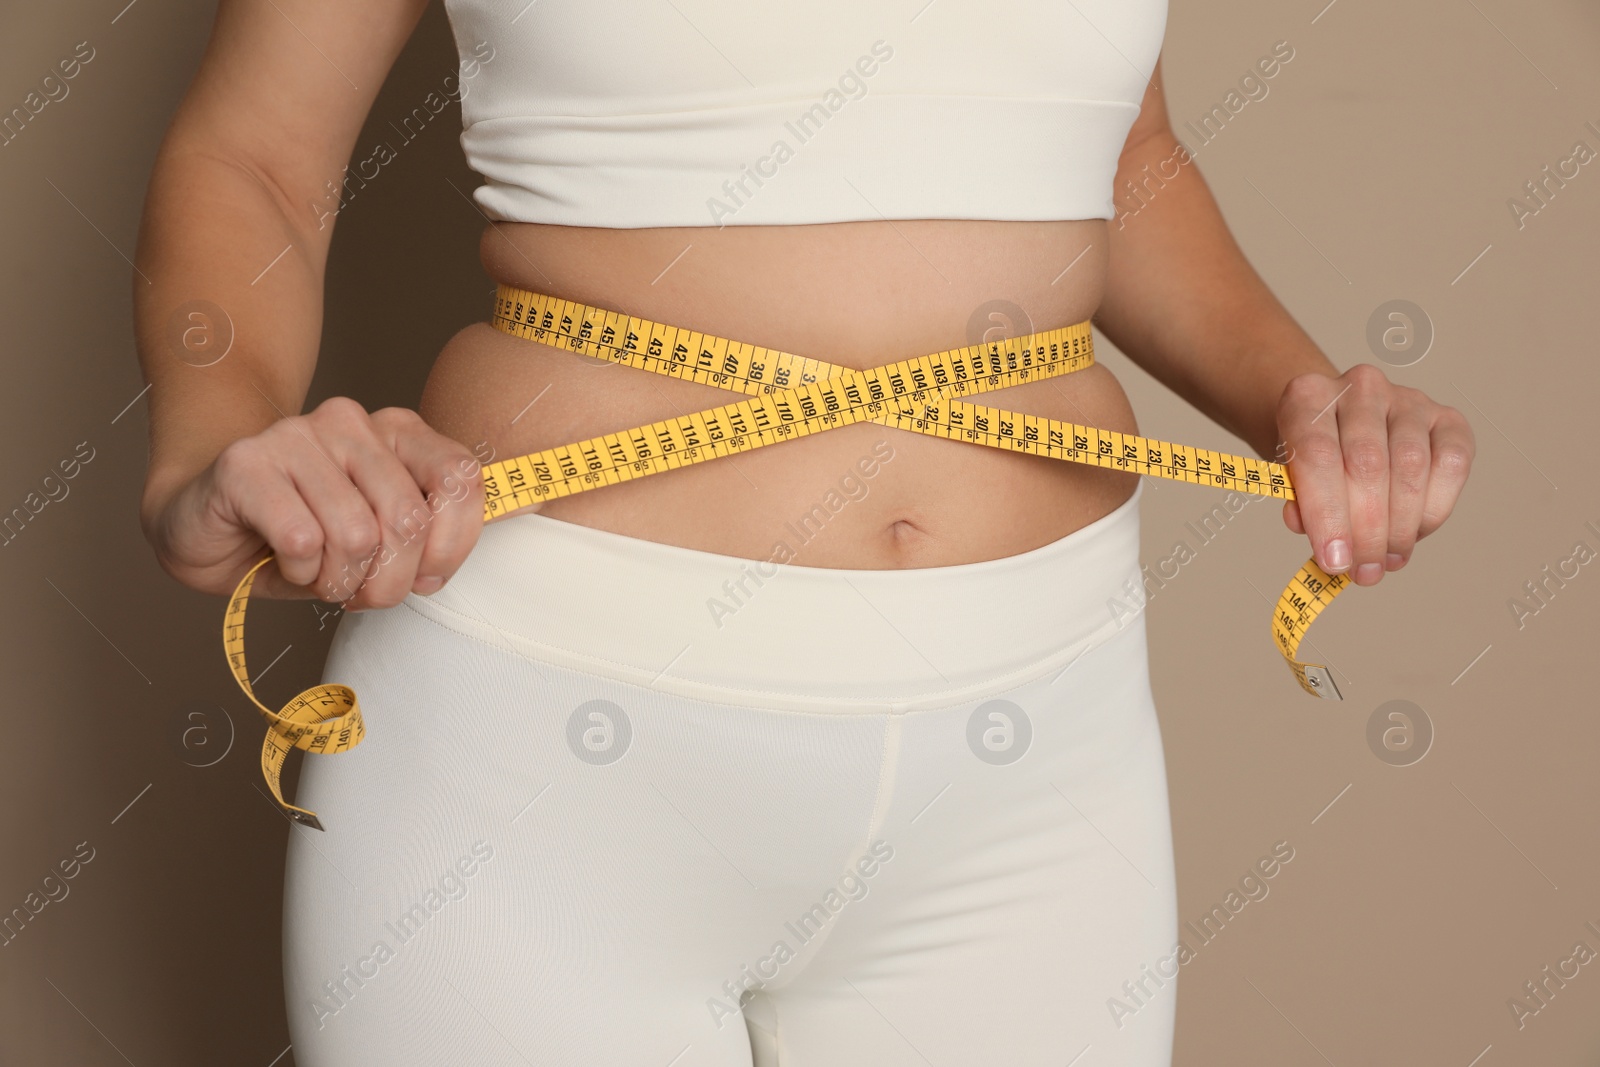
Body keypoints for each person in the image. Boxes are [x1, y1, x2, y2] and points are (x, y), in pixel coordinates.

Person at [134, 1, 1474, 1063]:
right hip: (544, 753)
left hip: (1034, 754)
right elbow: (257, 152)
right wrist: (210, 444)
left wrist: (1304, 402)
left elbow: (1115, 148)